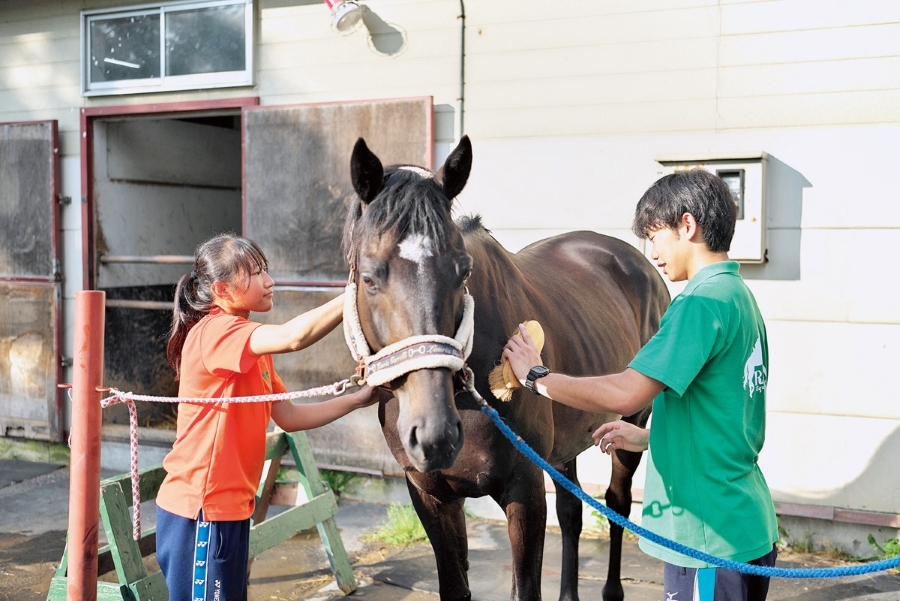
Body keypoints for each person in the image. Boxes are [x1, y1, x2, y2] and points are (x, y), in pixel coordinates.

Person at [502, 169, 778, 601]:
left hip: (706, 539)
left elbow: (626, 392)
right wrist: (650, 436)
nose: (652, 253)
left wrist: (538, 377)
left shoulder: (698, 305)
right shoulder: (737, 297)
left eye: (656, 235)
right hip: (746, 523)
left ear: (687, 226)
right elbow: (724, 412)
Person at [156, 233, 382, 601]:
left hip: (228, 512)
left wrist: (359, 399)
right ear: (222, 290)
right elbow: (295, 337)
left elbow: (289, 416)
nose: (269, 281)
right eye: (256, 273)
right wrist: (359, 293)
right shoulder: (216, 331)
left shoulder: (252, 346)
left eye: (266, 271)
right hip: (201, 513)